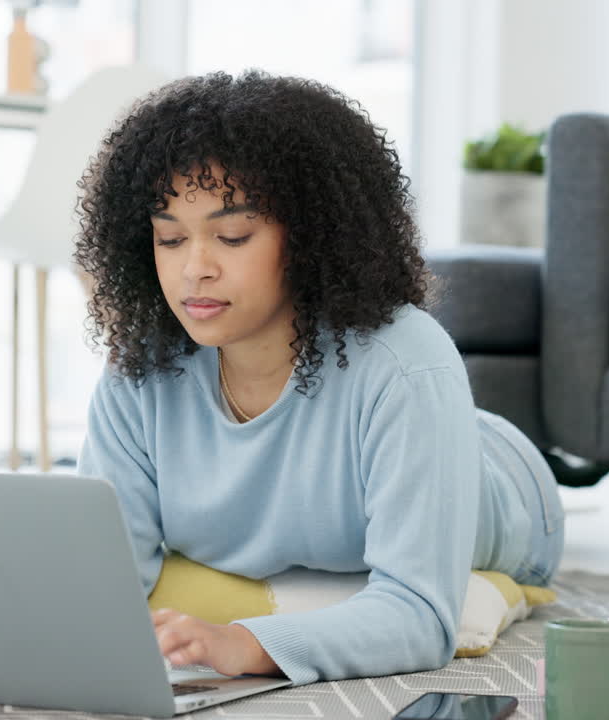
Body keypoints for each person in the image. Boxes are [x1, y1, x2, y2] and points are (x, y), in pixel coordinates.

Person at [73, 70, 563, 686]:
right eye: (170, 239)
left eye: (232, 235)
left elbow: (416, 616)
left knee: (420, 597)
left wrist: (243, 643)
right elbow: (101, 588)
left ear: (310, 238)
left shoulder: (406, 362)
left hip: (507, 485)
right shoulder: (138, 373)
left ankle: (494, 590)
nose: (194, 268)